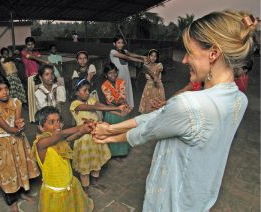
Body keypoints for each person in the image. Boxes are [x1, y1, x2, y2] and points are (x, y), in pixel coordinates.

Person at [93, 10, 256, 211]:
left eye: (190, 52)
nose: (185, 60)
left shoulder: (190, 105)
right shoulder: (240, 100)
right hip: (199, 200)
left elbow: (150, 128)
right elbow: (160, 116)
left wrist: (109, 137)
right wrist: (110, 129)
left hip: (171, 203)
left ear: (213, 53)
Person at [0, 75, 40, 211]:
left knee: (20, 167)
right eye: (0, 90)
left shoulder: (16, 102)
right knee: (7, 171)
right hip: (2, 145)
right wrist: (18, 128)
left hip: (18, 141)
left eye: (6, 88)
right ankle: (12, 201)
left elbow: (17, 122)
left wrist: (20, 126)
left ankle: (22, 193)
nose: (5, 92)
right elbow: (9, 128)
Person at [70, 78, 128, 191]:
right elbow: (94, 108)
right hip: (84, 140)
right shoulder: (75, 105)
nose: (88, 93)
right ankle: (85, 188)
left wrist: (120, 113)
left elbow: (102, 106)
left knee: (97, 160)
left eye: (88, 90)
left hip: (96, 135)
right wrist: (116, 107)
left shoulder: (91, 99)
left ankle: (95, 182)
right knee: (85, 165)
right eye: (84, 90)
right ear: (77, 92)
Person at [33, 106, 94, 212]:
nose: (57, 125)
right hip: (56, 192)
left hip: (70, 185)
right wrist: (79, 127)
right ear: (41, 127)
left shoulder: (60, 140)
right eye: (52, 122)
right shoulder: (40, 144)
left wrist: (84, 130)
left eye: (59, 121)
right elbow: (61, 134)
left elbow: (73, 136)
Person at [101, 62, 131, 160]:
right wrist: (123, 104)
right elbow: (110, 100)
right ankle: (113, 153)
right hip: (112, 112)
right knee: (113, 131)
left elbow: (122, 95)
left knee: (122, 130)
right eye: (110, 73)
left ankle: (122, 151)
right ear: (106, 75)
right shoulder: (104, 86)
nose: (113, 75)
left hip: (121, 108)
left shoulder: (121, 82)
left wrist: (123, 103)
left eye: (114, 73)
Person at [110, 35, 146, 108]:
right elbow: (126, 57)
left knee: (126, 91)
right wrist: (140, 60)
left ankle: (127, 107)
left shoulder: (124, 51)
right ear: (114, 44)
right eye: (118, 43)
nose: (121, 44)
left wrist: (142, 56)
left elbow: (131, 54)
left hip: (126, 75)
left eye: (122, 43)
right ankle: (119, 108)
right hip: (118, 76)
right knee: (119, 93)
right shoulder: (113, 52)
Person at [21, 37, 50, 122]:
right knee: (33, 98)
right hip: (31, 78)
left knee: (41, 97)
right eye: (28, 44)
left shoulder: (37, 53)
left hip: (39, 77)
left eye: (32, 44)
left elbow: (41, 60)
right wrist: (43, 61)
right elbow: (31, 57)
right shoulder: (23, 52)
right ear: (26, 45)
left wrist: (44, 62)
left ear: (34, 45)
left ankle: (43, 116)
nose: (30, 46)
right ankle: (34, 118)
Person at [72, 50, 103, 120]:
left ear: (87, 59)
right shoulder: (76, 71)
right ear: (77, 60)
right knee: (86, 114)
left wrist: (81, 85)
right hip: (82, 95)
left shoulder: (91, 67)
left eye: (84, 58)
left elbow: (88, 82)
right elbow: (75, 84)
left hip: (92, 93)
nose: (82, 60)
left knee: (97, 111)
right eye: (80, 58)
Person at [139, 49, 166, 114]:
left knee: (157, 107)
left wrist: (155, 78)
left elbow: (156, 75)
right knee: (148, 107)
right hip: (148, 87)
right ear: (148, 56)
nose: (153, 58)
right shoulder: (145, 66)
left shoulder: (159, 65)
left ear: (157, 58)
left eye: (155, 56)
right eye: (151, 55)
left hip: (158, 87)